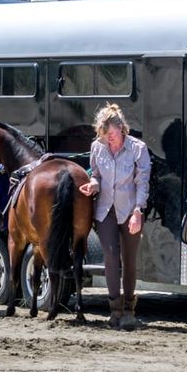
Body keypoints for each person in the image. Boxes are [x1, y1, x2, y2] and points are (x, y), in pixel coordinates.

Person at [79, 103, 150, 330]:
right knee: (110, 256)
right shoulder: (97, 147)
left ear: (120, 128)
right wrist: (93, 185)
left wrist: (138, 211)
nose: (108, 138)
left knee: (129, 260)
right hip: (105, 210)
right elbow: (96, 175)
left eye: (110, 134)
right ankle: (114, 311)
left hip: (130, 210)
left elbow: (142, 182)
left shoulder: (138, 148)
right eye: (104, 134)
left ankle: (129, 309)